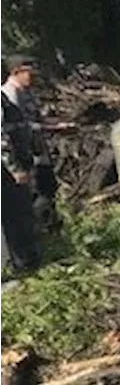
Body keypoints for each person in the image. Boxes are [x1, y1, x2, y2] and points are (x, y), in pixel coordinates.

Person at [1, 55, 56, 233]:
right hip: (22, 157)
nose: (32, 78)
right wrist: (15, 167)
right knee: (29, 198)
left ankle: (47, 229)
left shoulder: (26, 92)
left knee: (46, 189)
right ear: (17, 72)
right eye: (29, 73)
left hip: (36, 151)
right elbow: (13, 130)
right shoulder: (9, 95)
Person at [0, 91, 39, 274]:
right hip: (6, 170)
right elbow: (2, 138)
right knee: (16, 212)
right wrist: (15, 168)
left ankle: (22, 261)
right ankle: (24, 262)